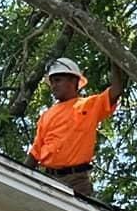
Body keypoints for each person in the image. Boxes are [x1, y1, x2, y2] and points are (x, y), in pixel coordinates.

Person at [28, 57, 125, 200]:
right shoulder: (46, 116)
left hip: (76, 181)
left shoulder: (89, 105)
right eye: (52, 82)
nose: (54, 85)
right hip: (47, 178)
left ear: (73, 81)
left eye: (58, 80)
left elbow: (116, 90)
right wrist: (17, 174)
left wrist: (113, 56)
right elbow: (35, 153)